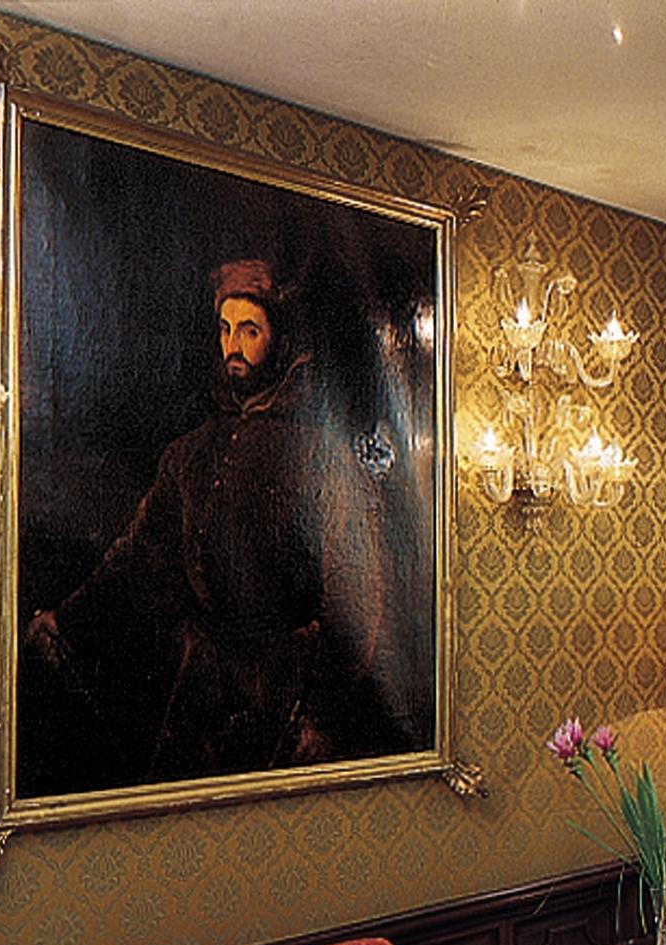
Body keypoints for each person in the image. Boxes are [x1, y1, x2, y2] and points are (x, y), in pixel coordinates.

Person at [26, 258, 402, 784]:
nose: (233, 345)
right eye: (225, 329)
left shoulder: (322, 456)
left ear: (280, 341)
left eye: (250, 330)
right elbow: (138, 560)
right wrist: (67, 621)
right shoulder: (191, 454)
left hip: (286, 690)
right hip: (202, 687)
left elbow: (355, 593)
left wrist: (320, 714)